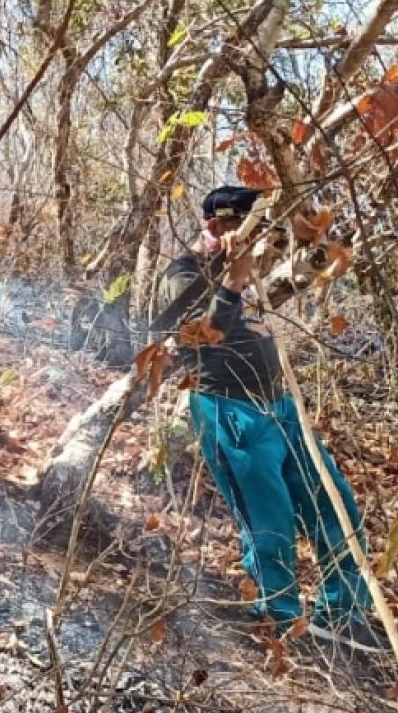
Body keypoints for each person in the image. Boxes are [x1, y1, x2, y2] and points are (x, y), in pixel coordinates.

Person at [158, 186, 374, 646]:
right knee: (268, 523)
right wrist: (232, 284)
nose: (253, 241)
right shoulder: (184, 276)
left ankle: (345, 613)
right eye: (240, 228)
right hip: (230, 412)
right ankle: (280, 622)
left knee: (334, 504)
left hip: (280, 406)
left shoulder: (251, 267)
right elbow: (194, 339)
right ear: (215, 227)